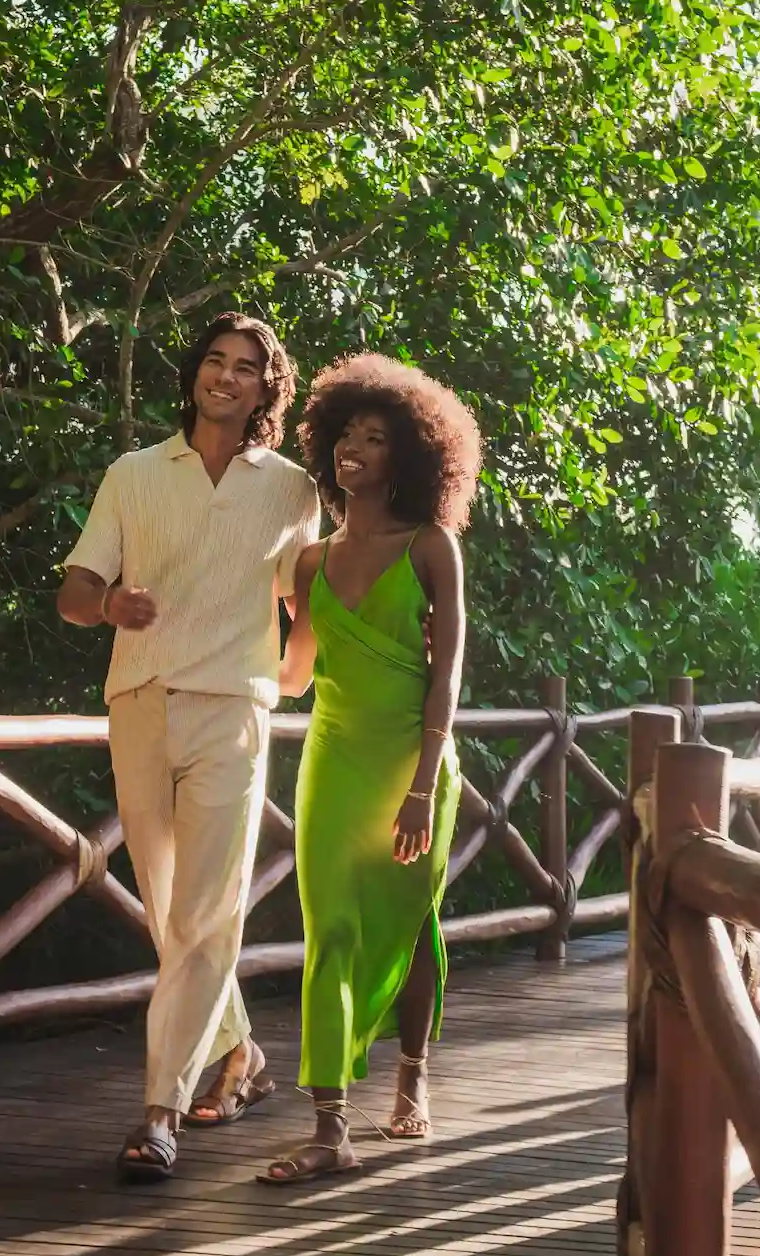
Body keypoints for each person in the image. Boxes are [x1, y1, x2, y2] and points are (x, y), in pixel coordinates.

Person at [57, 313, 320, 1181]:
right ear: (195, 376)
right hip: (138, 702)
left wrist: (297, 670)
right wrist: (109, 609)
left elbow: (308, 597)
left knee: (208, 913)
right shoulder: (134, 473)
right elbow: (75, 589)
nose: (226, 376)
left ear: (264, 390)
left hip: (233, 712)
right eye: (214, 361)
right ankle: (242, 1053)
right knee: (171, 911)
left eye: (246, 367)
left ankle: (158, 1113)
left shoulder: (291, 491)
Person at [258, 354, 481, 1184]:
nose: (355, 448)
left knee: (409, 920)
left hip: (413, 763)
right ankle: (329, 1128)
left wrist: (423, 785)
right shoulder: (310, 564)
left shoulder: (431, 548)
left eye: (376, 437)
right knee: (331, 933)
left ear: (410, 457)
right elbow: (292, 678)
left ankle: (412, 1072)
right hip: (332, 758)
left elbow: (449, 673)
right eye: (346, 434)